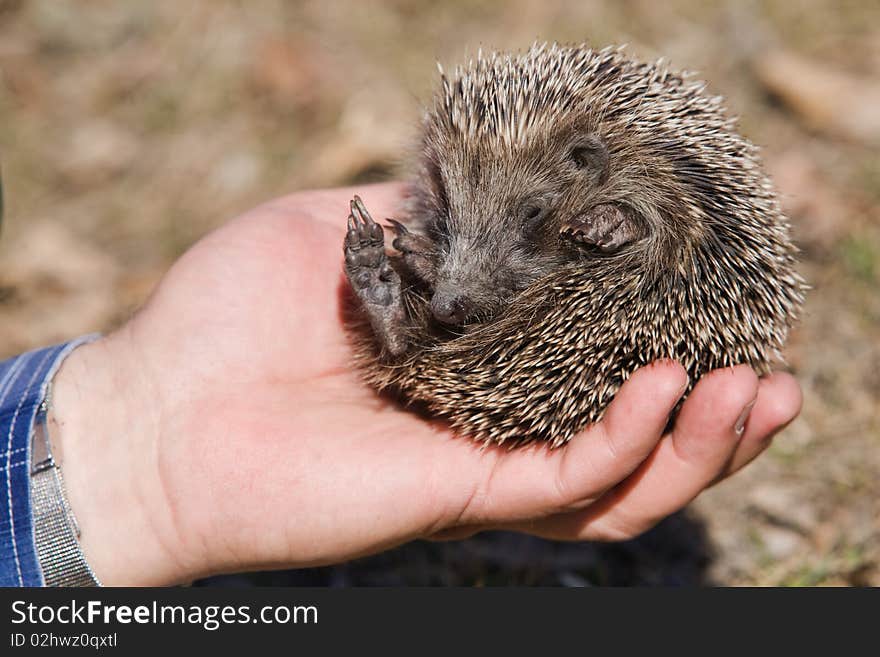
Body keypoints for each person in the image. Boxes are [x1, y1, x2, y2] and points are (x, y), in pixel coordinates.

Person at [0, 183, 802, 587]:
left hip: (616, 305)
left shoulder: (638, 196)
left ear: (590, 172)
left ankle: (412, 322)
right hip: (469, 355)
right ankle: (404, 325)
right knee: (443, 316)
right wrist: (134, 451)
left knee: (459, 304)